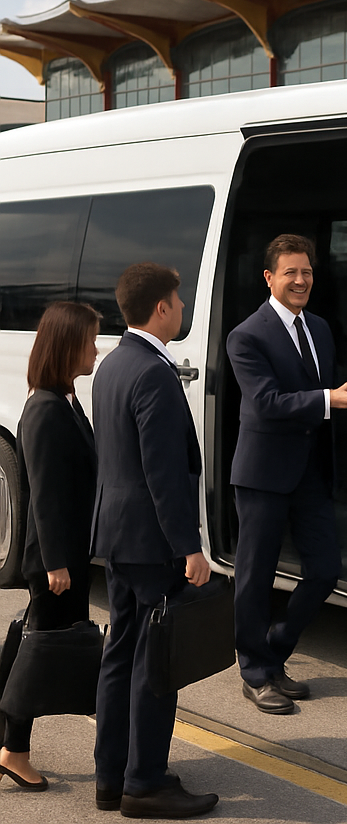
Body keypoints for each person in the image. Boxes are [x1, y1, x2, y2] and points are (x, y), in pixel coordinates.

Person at [90, 263, 217, 818]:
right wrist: (188, 545)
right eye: (179, 301)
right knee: (157, 662)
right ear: (160, 308)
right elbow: (162, 473)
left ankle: (111, 776)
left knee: (120, 655)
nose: (183, 309)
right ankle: (145, 783)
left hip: (117, 535)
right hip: (151, 541)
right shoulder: (154, 374)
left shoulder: (112, 365)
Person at [227, 234, 347, 714]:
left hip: (309, 472)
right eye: (290, 272)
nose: (300, 280)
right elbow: (267, 403)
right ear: (269, 277)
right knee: (254, 578)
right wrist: (331, 399)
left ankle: (274, 649)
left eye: (306, 272)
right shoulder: (246, 335)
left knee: (327, 569)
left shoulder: (322, 329)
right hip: (264, 473)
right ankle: (254, 673)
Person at [0, 302, 101, 792]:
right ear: (66, 347)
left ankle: (8, 740)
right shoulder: (44, 409)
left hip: (67, 555)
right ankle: (14, 749)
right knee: (39, 652)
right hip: (54, 561)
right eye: (89, 341)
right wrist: (57, 562)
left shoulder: (64, 400)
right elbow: (42, 493)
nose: (96, 349)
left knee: (33, 646)